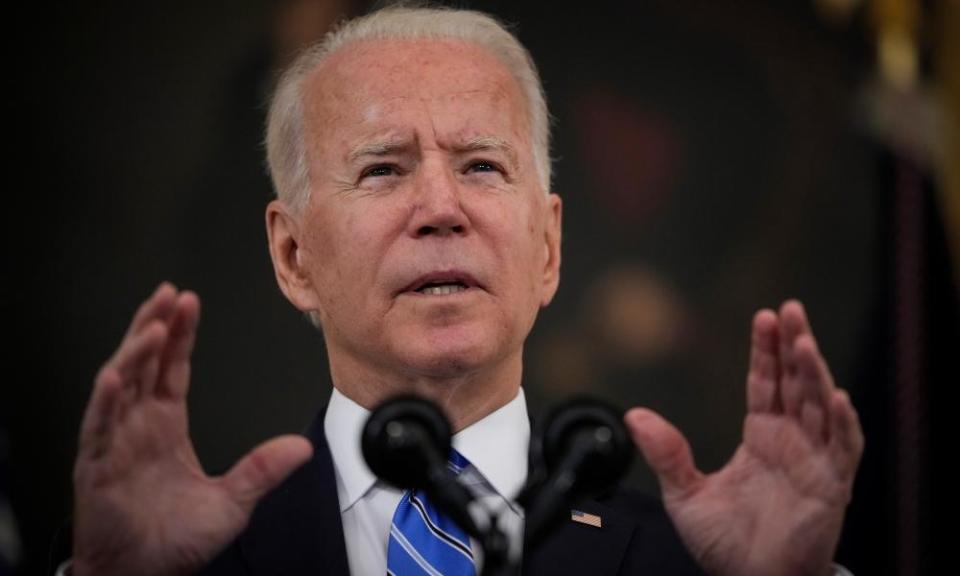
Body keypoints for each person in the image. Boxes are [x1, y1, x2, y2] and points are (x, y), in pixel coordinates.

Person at [67, 5, 864, 576]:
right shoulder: (189, 558)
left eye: (482, 166)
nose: (441, 209)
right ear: (293, 255)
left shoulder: (696, 563)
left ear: (548, 246)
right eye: (383, 169)